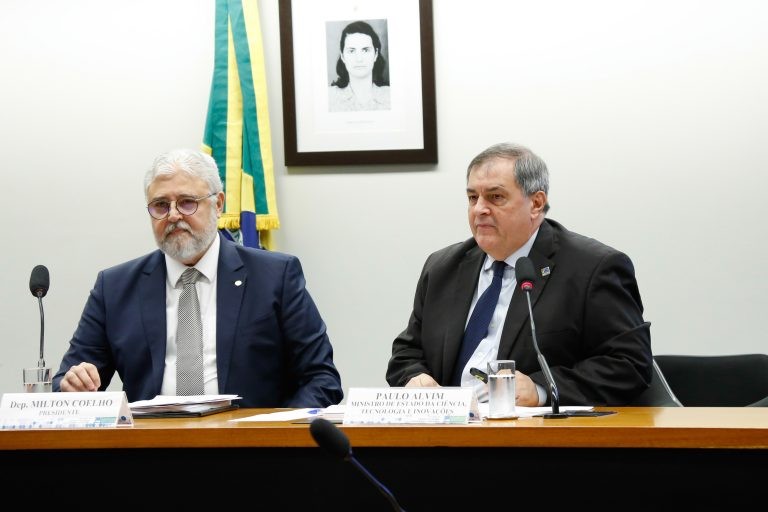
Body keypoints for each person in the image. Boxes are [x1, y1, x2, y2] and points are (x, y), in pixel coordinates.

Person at [53, 149, 343, 408]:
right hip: (146, 452)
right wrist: (74, 383)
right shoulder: (115, 287)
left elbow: (321, 378)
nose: (174, 215)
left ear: (218, 204)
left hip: (250, 453)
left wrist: (273, 434)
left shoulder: (275, 277)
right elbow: (67, 381)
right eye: (160, 206)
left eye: (187, 202)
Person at [386, 142, 652, 406]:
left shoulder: (592, 268)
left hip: (536, 440)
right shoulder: (443, 267)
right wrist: (414, 376)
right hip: (445, 434)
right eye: (472, 198)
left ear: (536, 203)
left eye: (496, 197)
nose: (479, 209)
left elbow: (629, 365)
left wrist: (541, 388)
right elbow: (407, 352)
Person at [328, 20, 390, 112]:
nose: (359, 59)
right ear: (343, 56)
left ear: (376, 54)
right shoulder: (329, 97)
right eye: (352, 51)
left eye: (365, 50)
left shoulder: (390, 95)